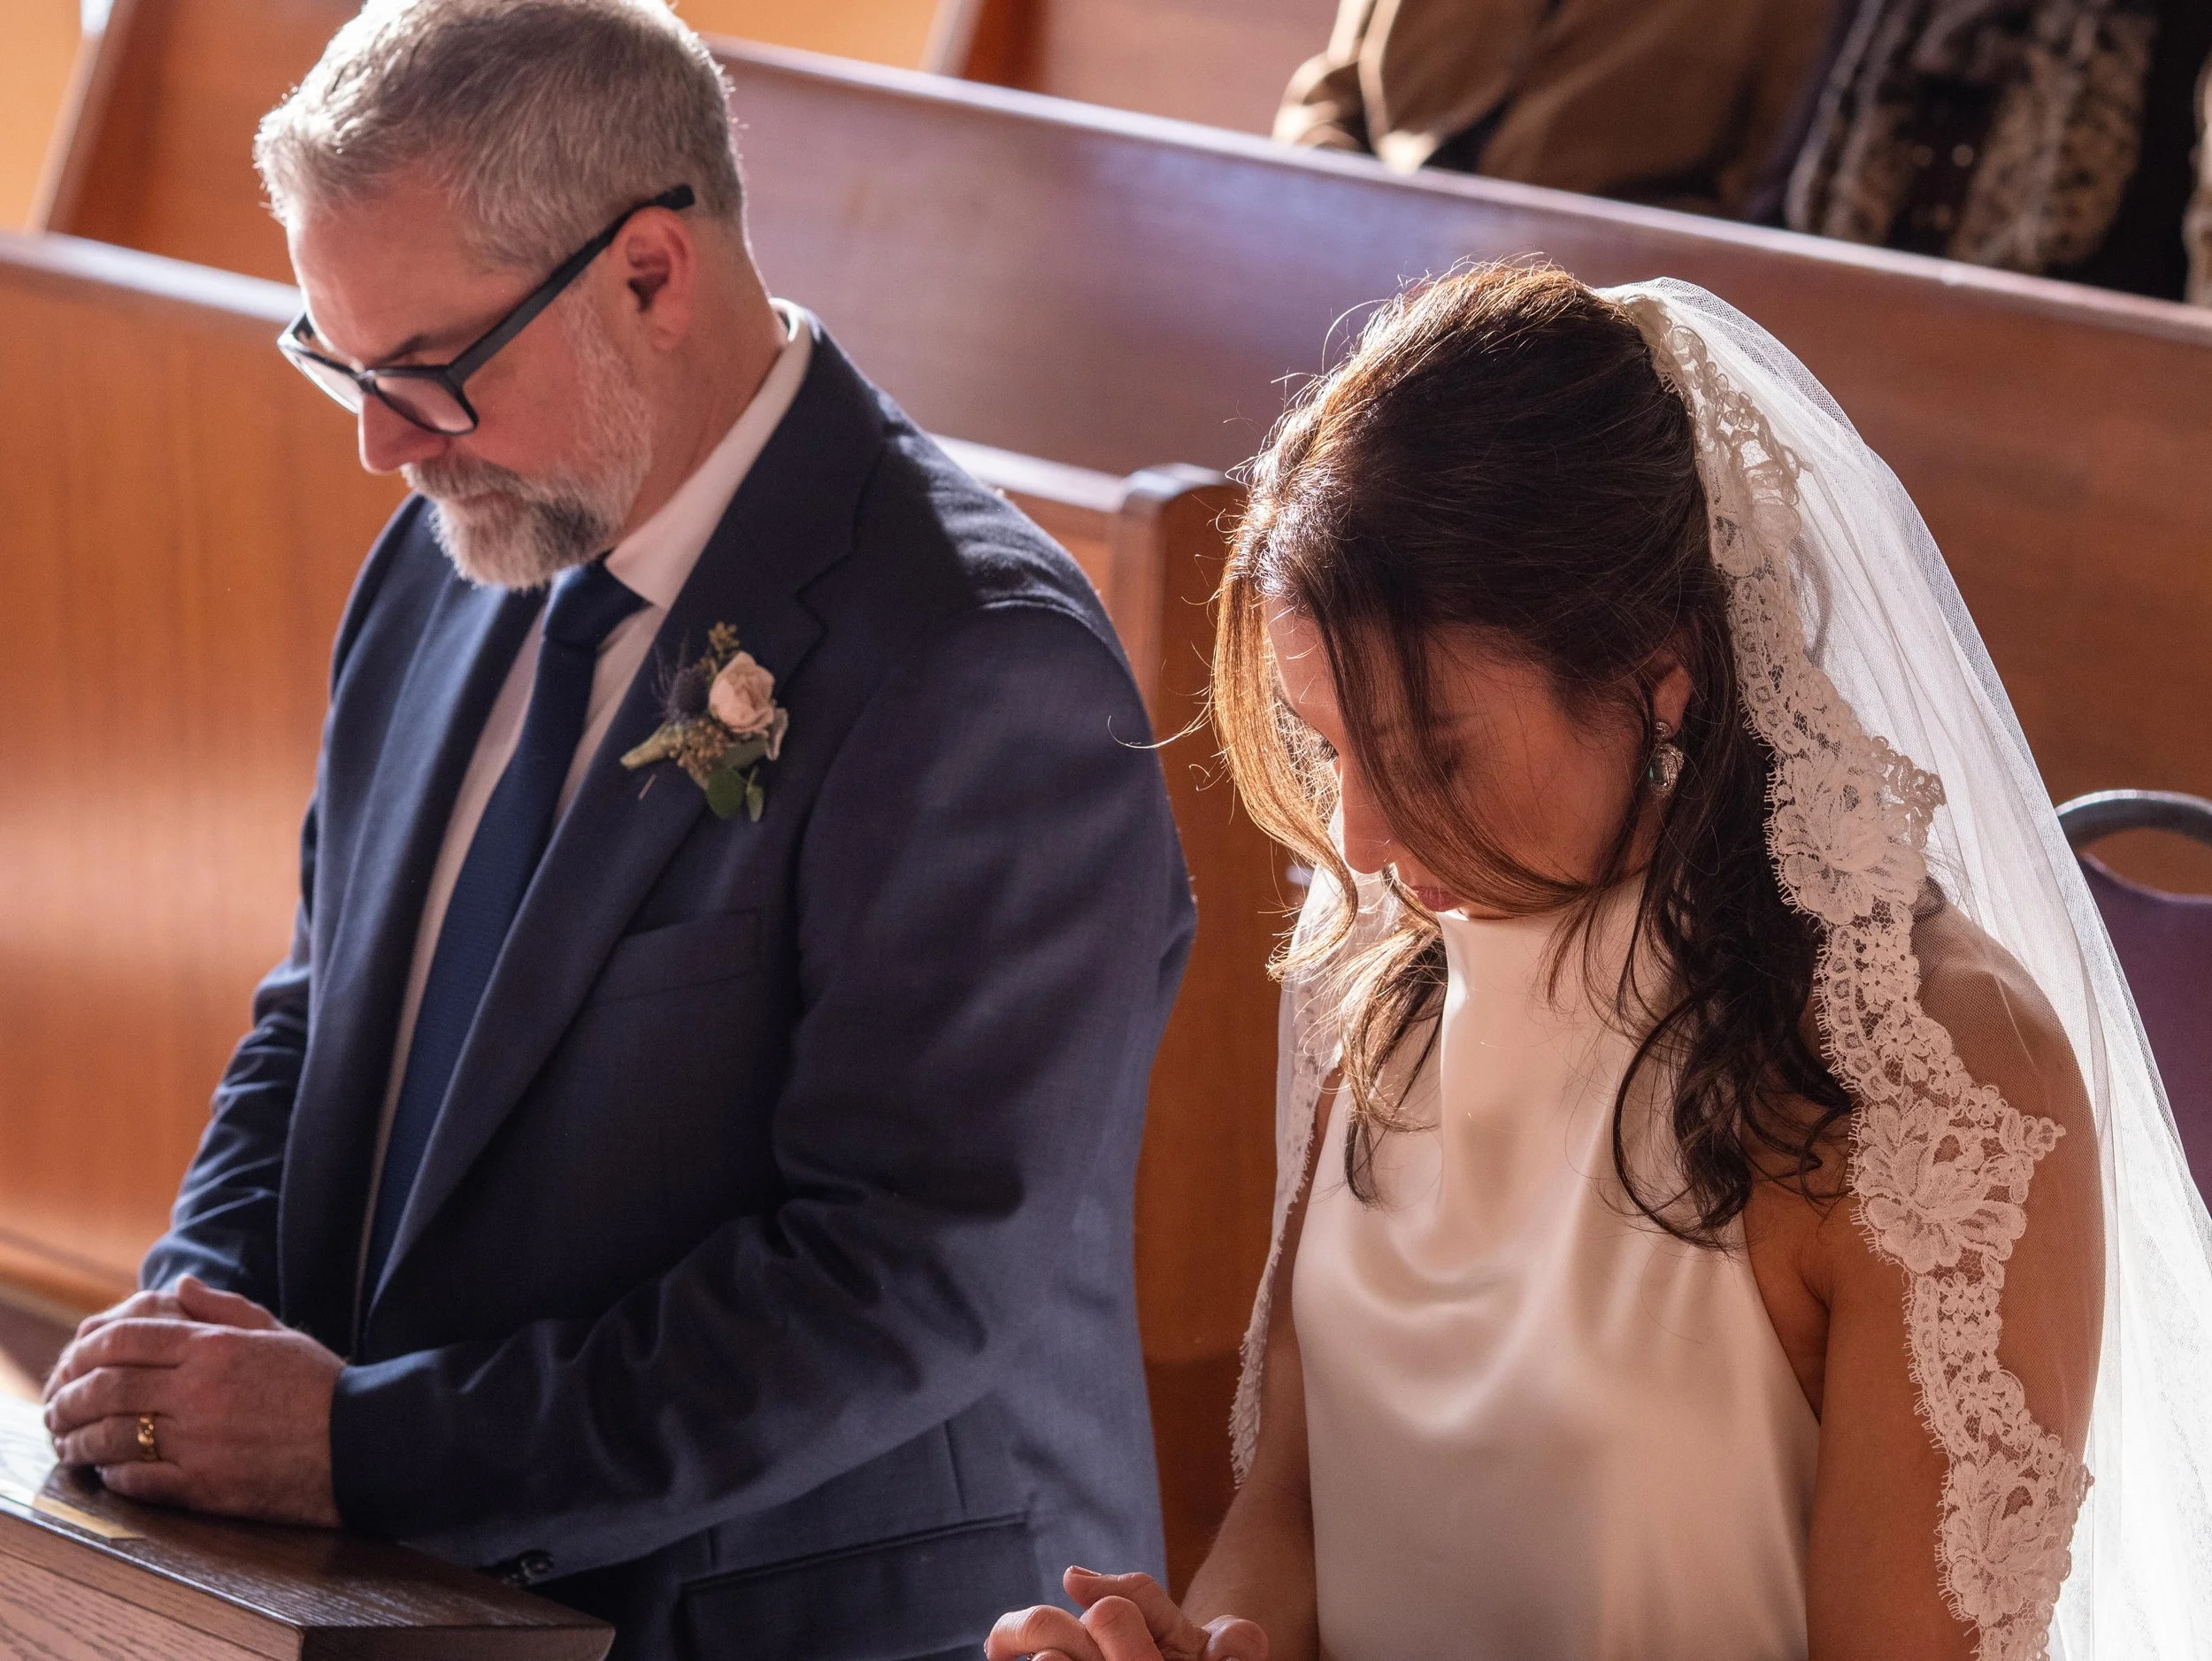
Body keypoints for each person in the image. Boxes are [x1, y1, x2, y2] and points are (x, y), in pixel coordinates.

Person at [37, 1, 1194, 1655]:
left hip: (792, 1618)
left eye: (428, 369)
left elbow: (896, 1281)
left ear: (652, 273)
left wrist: (361, 1445)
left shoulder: (977, 662)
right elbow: (321, 1003)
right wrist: (186, 1331)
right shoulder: (452, 554)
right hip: (416, 1592)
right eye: (338, 364)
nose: (382, 446)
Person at [987, 267, 2212, 1659]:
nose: (1365, 837)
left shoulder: (1931, 1077)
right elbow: (1299, 1509)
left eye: (1431, 749)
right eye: (1330, 748)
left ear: (1662, 669)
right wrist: (1204, 1645)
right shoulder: (1390, 982)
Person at [1273, 0, 1835, 217]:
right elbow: (1333, 93)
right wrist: (1340, 215)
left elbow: (1753, 203)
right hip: (1358, 260)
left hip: (1584, 330)